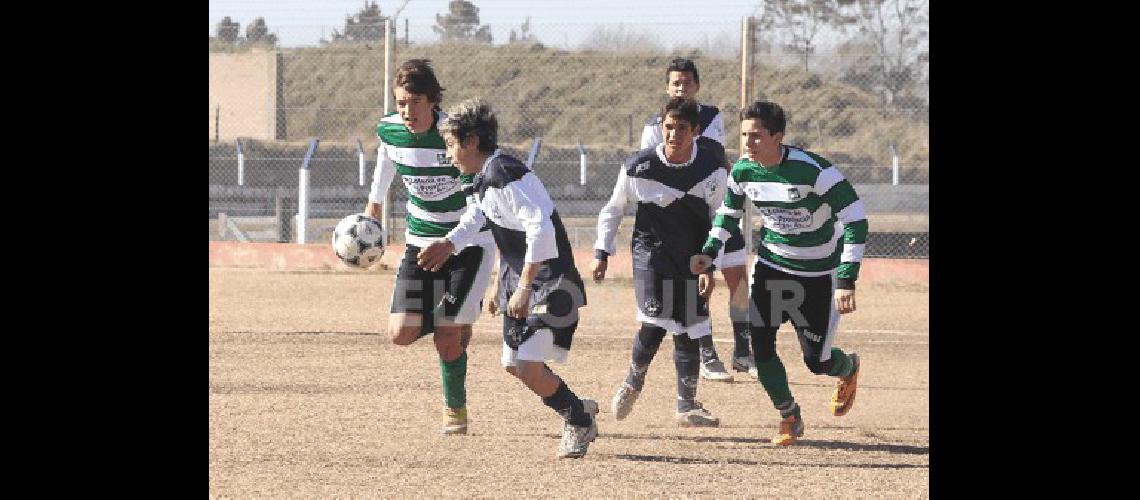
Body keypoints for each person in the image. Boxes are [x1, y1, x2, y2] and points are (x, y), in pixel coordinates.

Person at [417, 99, 599, 459]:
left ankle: (578, 420)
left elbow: (540, 229)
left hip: (551, 282)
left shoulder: (504, 173)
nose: (449, 155)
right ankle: (577, 405)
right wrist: (452, 245)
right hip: (521, 280)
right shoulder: (485, 177)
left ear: (470, 141)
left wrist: (525, 288)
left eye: (451, 145)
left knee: (527, 365)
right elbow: (483, 220)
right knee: (513, 364)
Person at [691, 101, 866, 446]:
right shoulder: (742, 172)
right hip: (772, 267)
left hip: (819, 275)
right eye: (743, 136)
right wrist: (709, 254)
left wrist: (846, 279)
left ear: (778, 137)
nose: (747, 144)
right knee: (761, 345)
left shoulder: (815, 171)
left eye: (755, 136)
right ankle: (789, 415)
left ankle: (847, 368)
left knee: (817, 361)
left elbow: (856, 219)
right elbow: (727, 216)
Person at [362, 59, 496, 436]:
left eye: (415, 102)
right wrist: (374, 205)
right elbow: (387, 157)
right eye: (401, 102)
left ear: (433, 100)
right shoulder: (390, 130)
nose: (407, 111)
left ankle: (455, 408)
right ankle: (454, 322)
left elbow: (481, 204)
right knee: (401, 333)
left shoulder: (456, 135)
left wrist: (452, 242)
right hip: (419, 241)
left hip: (467, 242)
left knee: (446, 335)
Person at [594, 97, 726, 427]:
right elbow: (613, 209)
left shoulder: (711, 170)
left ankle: (687, 405)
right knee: (654, 323)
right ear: (660, 128)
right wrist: (602, 252)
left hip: (693, 261)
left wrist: (710, 264)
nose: (674, 135)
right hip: (650, 257)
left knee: (689, 330)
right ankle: (633, 381)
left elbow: (722, 218)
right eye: (668, 127)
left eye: (682, 128)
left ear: (695, 131)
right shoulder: (639, 167)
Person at [639, 57, 755, 382]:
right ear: (667, 87)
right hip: (684, 217)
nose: (681, 88)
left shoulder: (711, 116)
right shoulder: (653, 126)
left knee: (738, 278)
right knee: (695, 283)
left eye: (687, 82)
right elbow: (651, 167)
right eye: (675, 83)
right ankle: (707, 353)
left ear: (697, 86)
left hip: (717, 206)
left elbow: (710, 154)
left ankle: (744, 351)